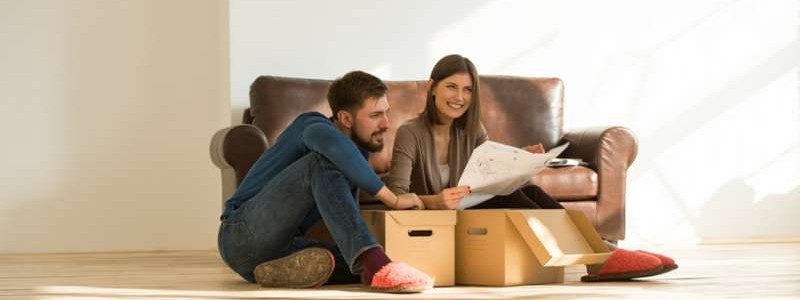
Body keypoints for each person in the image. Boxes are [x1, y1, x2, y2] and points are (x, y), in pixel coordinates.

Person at [385, 54, 678, 282]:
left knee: (531, 192)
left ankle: (601, 252)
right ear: (432, 87)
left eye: (467, 90)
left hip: (470, 210)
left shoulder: (473, 129)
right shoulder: (410, 132)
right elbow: (396, 195)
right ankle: (601, 256)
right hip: (439, 219)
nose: (459, 97)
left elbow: (488, 171)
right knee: (514, 197)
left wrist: (519, 160)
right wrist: (434, 201)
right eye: (451, 87)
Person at [218, 71, 433, 293]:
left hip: (282, 249)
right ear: (346, 119)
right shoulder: (312, 126)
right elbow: (332, 145)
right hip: (240, 236)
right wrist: (393, 199)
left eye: (387, 113)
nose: (386, 124)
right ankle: (377, 266)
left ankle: (274, 272)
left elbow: (347, 217)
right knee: (322, 162)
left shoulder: (356, 155)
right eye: (376, 115)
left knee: (353, 260)